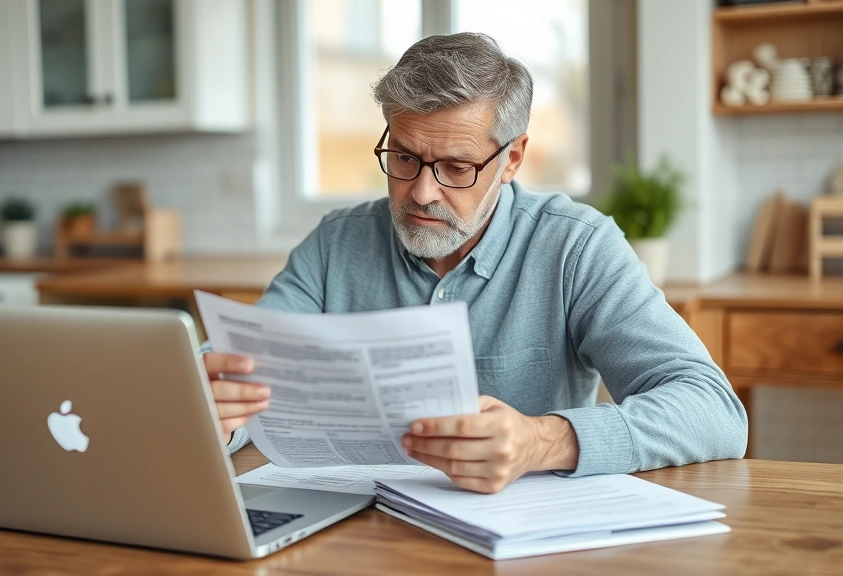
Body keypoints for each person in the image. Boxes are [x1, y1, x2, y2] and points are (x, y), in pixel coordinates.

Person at [203, 32, 747, 494]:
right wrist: (213, 405)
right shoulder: (335, 244)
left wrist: (543, 440)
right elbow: (246, 367)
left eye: (456, 167)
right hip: (358, 537)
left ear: (511, 159)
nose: (420, 193)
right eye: (404, 157)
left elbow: (713, 410)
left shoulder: (576, 247)